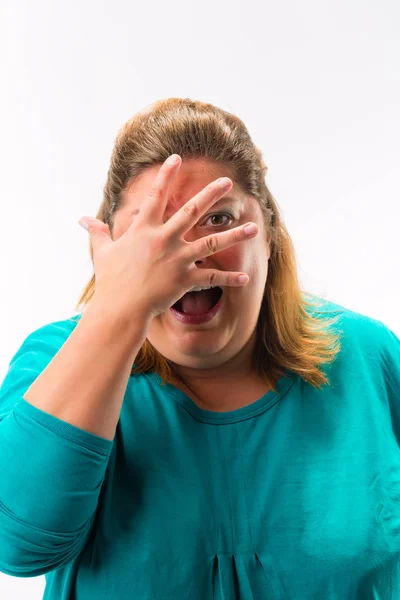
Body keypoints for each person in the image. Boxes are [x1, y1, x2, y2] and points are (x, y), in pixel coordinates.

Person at [0, 97, 399, 600]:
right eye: (154, 225)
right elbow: (18, 547)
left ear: (269, 237)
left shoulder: (367, 357)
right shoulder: (55, 362)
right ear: (109, 252)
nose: (186, 250)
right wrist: (118, 312)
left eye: (218, 220)